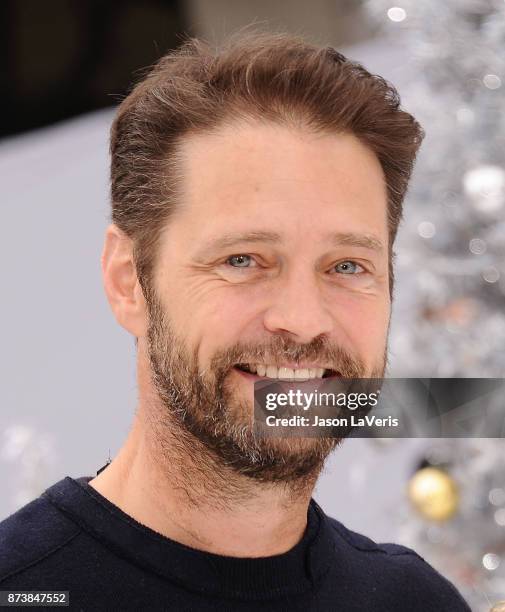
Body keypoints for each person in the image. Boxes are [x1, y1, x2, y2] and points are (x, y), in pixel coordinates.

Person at [0, 29, 470, 611]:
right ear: (128, 281)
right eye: (243, 260)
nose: (301, 321)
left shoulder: (414, 602)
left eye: (347, 265)